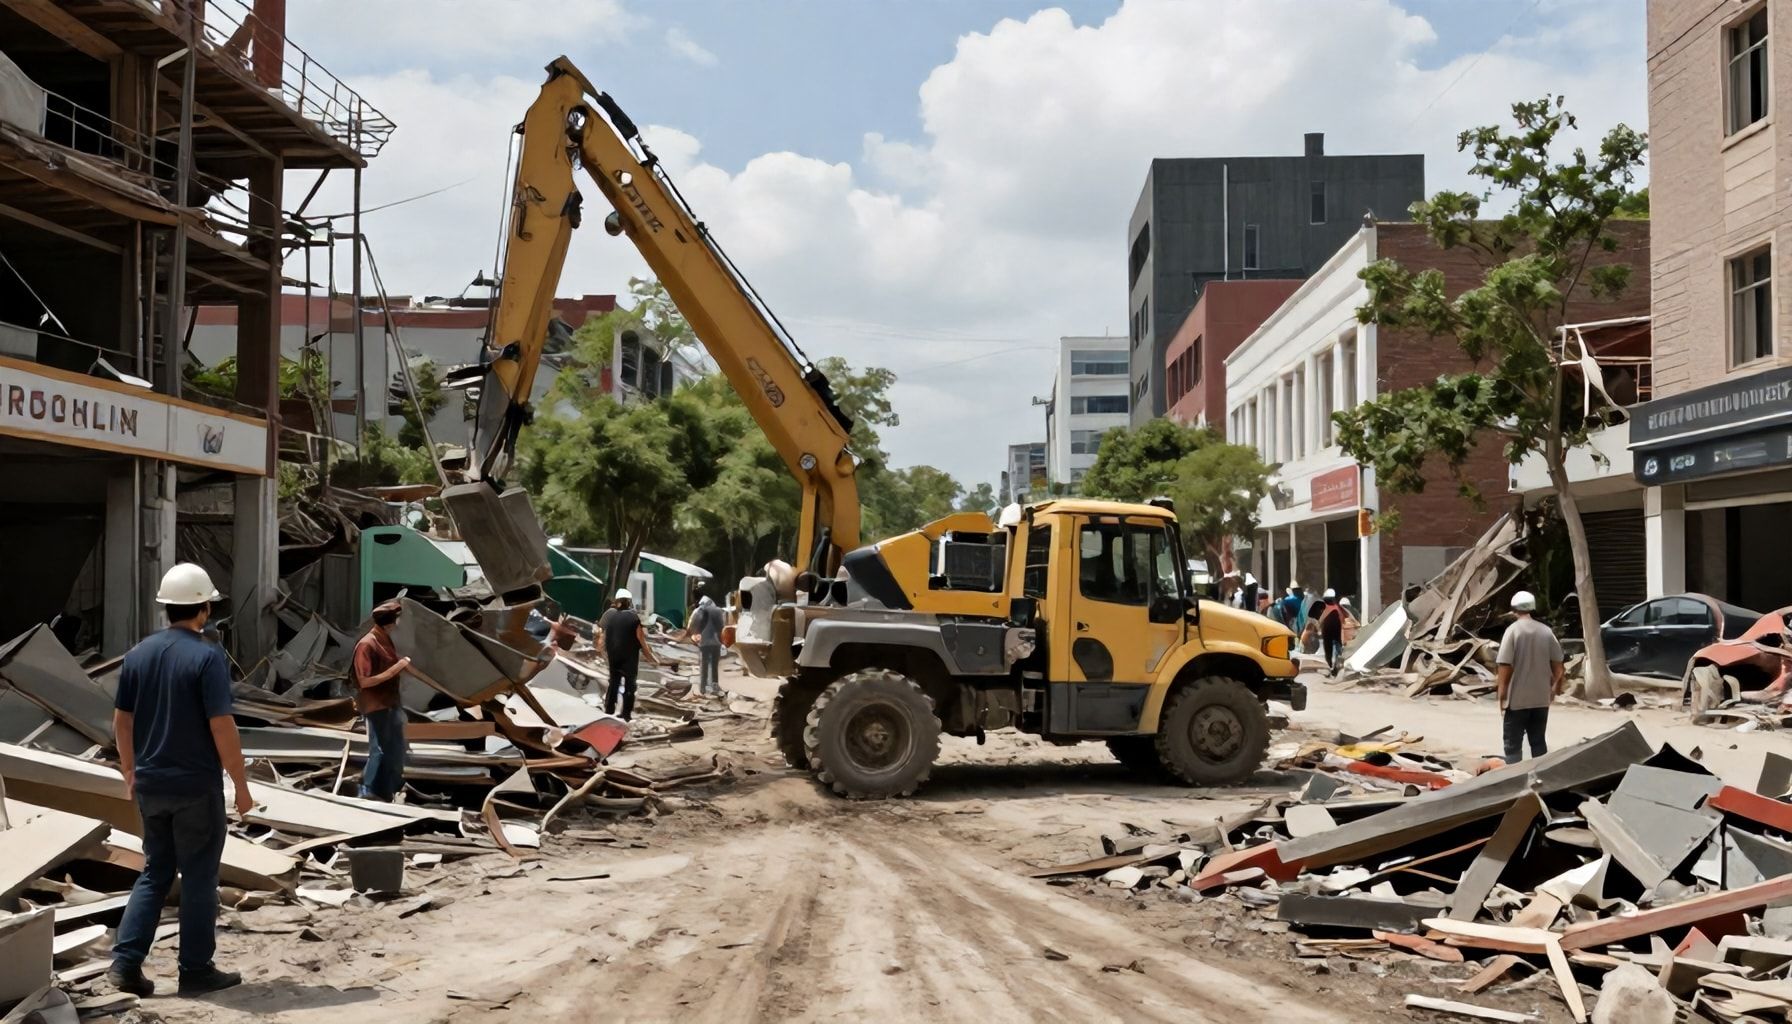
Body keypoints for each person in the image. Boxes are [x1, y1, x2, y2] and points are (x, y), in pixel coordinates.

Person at [108, 564, 250, 998]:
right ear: (204, 609)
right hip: (195, 787)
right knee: (200, 877)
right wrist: (241, 786)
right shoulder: (207, 657)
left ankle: (125, 966)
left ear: (166, 608)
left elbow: (122, 722)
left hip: (152, 785)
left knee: (154, 872)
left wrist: (131, 770)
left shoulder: (137, 655)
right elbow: (222, 726)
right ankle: (195, 970)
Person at [352, 600, 412, 802]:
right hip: (376, 704)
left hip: (390, 702)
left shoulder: (385, 639)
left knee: (397, 747)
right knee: (379, 749)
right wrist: (397, 668)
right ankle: (367, 789)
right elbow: (364, 681)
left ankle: (390, 789)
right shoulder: (367, 644)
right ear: (389, 622)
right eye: (396, 620)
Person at [1496, 590, 1565, 763]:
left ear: (1514, 609)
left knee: (1512, 746)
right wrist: (1554, 689)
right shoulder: (1546, 632)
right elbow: (1559, 666)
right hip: (1541, 699)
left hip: (1517, 700)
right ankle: (1541, 778)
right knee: (1538, 742)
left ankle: (1514, 779)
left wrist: (1502, 695)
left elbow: (1505, 666)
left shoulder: (1512, 631)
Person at [602, 588, 663, 719]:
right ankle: (625, 714)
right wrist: (651, 658)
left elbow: (605, 637)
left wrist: (606, 652)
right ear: (629, 602)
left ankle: (609, 710)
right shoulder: (633, 618)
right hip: (628, 657)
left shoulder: (611, 617)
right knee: (630, 684)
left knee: (614, 682)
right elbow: (641, 640)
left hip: (614, 656)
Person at [685, 595, 726, 697]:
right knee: (714, 665)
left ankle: (703, 687)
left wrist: (695, 637)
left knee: (704, 664)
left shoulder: (698, 610)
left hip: (703, 642)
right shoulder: (718, 611)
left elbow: (692, 626)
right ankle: (714, 685)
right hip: (716, 642)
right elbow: (721, 627)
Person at [1318, 589, 1346, 676]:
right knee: (1338, 648)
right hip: (1336, 630)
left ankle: (1330, 666)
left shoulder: (1323, 608)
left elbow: (1320, 620)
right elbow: (1342, 619)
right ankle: (1336, 667)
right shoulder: (1337, 607)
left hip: (1327, 631)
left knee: (1328, 650)